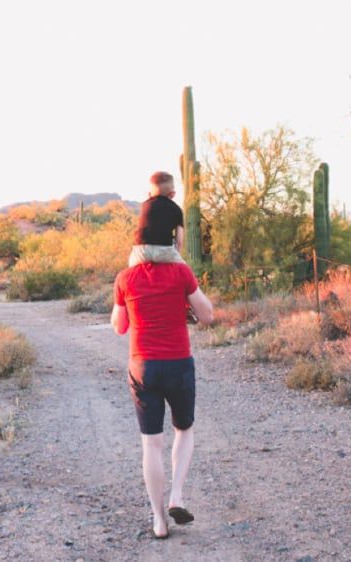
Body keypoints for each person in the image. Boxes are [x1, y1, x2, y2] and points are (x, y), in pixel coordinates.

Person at [111, 255, 213, 539]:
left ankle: (158, 521)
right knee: (184, 430)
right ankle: (176, 496)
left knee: (151, 443)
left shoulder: (125, 278)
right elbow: (207, 315)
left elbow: (119, 326)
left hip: (143, 366)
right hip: (178, 364)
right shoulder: (181, 272)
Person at [129, 171, 185, 267]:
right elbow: (179, 240)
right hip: (164, 249)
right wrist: (176, 254)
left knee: (132, 269)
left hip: (141, 250)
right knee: (183, 269)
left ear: (149, 194)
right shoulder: (177, 209)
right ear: (172, 194)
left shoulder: (144, 205)